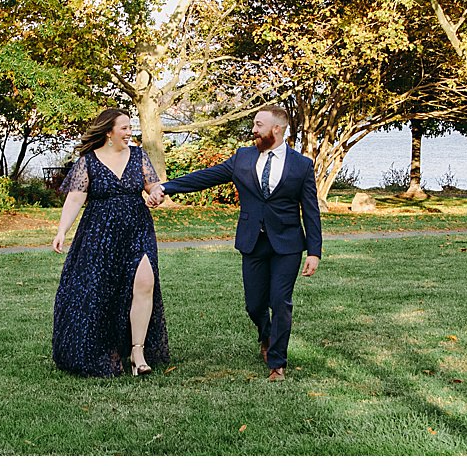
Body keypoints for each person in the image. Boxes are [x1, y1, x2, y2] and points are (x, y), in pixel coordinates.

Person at [147, 107, 321, 382]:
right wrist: (167, 187)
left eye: (258, 124)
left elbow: (310, 210)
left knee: (281, 301)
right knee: (254, 305)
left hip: (287, 244)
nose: (253, 129)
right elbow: (206, 177)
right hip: (253, 242)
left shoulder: (301, 165)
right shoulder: (243, 157)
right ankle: (266, 335)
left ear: (276, 129)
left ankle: (277, 363)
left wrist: (314, 251)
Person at [51, 108, 169, 377]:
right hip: (99, 232)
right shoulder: (88, 161)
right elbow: (75, 198)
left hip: (137, 228)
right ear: (108, 131)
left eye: (130, 127)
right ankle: (104, 347)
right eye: (125, 128)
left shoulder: (138, 155)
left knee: (145, 283)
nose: (130, 132)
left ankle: (137, 352)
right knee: (101, 289)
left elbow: (153, 187)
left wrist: (156, 196)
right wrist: (61, 231)